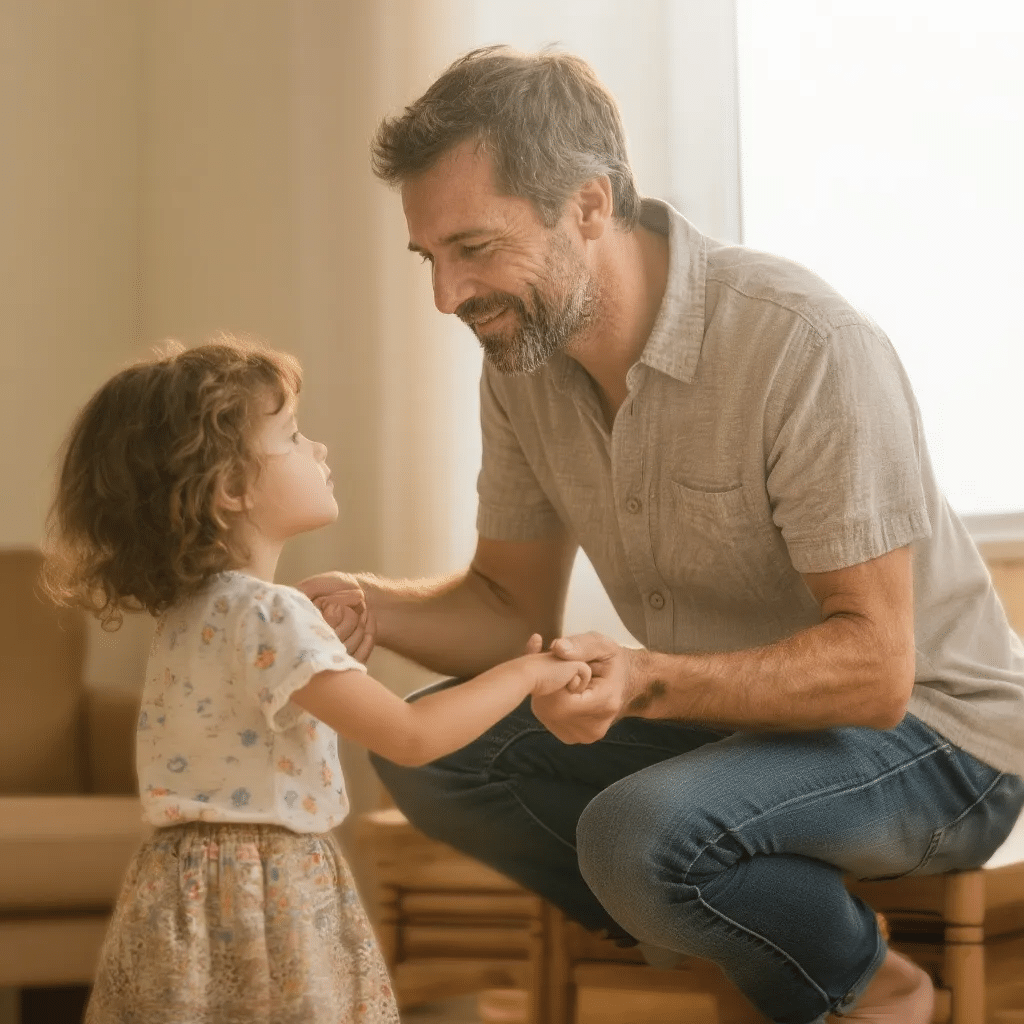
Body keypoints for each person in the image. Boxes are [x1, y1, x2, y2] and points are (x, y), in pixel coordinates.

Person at [300, 44, 1024, 1024]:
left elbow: (874, 669)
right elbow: (504, 609)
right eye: (431, 257)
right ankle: (731, 926)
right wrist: (366, 608)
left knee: (637, 829)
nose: (446, 296)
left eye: (474, 247)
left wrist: (645, 677)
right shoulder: (520, 361)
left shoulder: (800, 344)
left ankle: (864, 986)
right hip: (738, 731)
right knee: (433, 748)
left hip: (931, 742)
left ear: (589, 206)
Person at [42, 337, 593, 1024]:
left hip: (176, 888)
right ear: (232, 487)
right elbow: (412, 736)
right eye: (293, 437)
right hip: (267, 890)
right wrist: (528, 671)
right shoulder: (271, 614)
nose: (320, 450)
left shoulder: (187, 615)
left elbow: (246, 730)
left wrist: (332, 670)